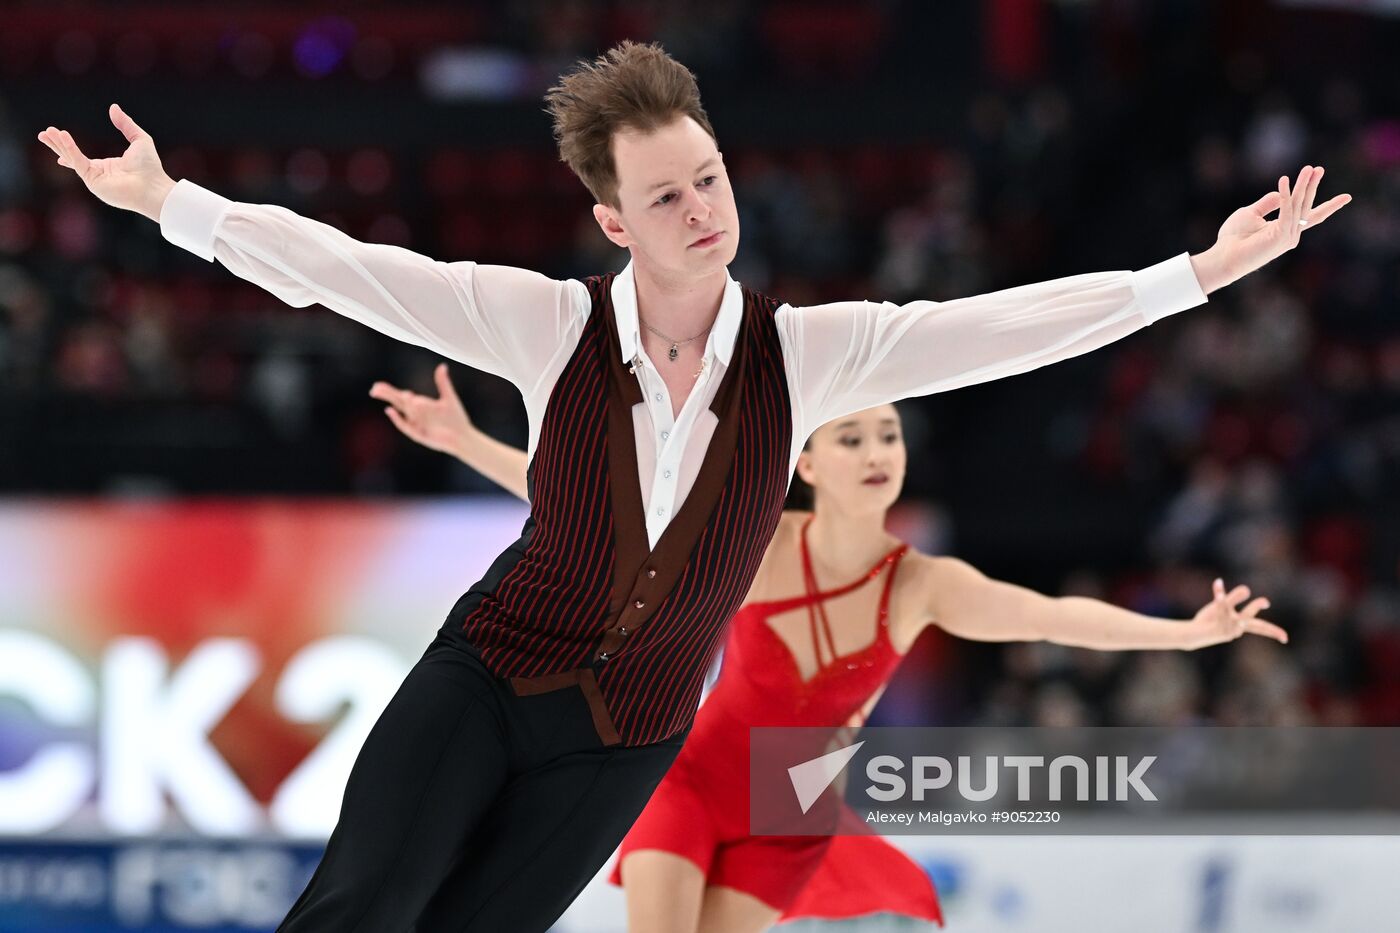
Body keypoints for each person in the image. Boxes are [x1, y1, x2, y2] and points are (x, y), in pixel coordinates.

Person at [38, 38, 1343, 933]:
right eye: (665, 196)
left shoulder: (810, 352)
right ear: (615, 218)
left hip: (631, 731)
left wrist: (1197, 276)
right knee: (364, 906)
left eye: (708, 177)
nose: (702, 210)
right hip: (488, 675)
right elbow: (348, 268)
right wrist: (171, 205)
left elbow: (997, 328)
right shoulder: (542, 324)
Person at [371, 372, 1286, 932]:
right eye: (852, 437)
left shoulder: (922, 581)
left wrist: (1188, 632)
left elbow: (1051, 617)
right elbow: (608, 509)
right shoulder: (759, 539)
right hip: (688, 779)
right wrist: (468, 442)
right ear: (808, 462)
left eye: (887, 433)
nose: (877, 450)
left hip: (791, 814)